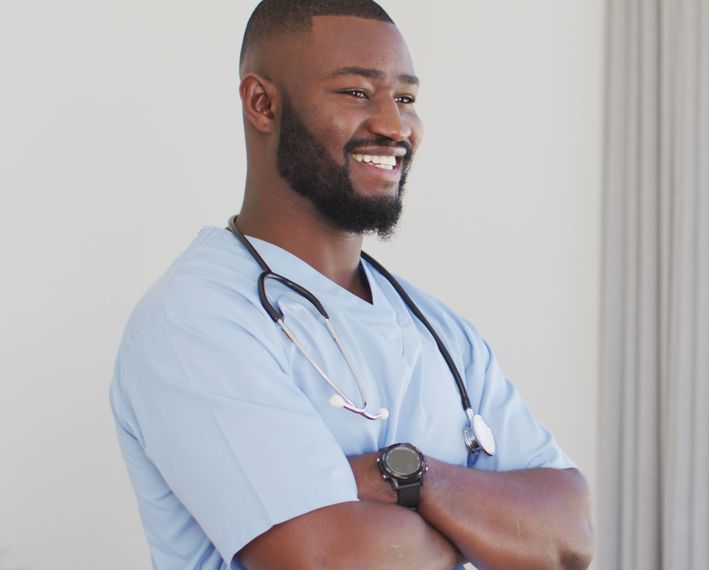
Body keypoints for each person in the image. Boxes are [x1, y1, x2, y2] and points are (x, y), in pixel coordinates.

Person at [108, 1, 595, 568]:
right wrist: (485, 529)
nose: (393, 125)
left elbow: (569, 537)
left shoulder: (439, 331)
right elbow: (328, 561)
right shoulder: (197, 322)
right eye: (356, 93)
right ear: (262, 104)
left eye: (406, 98)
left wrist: (403, 474)